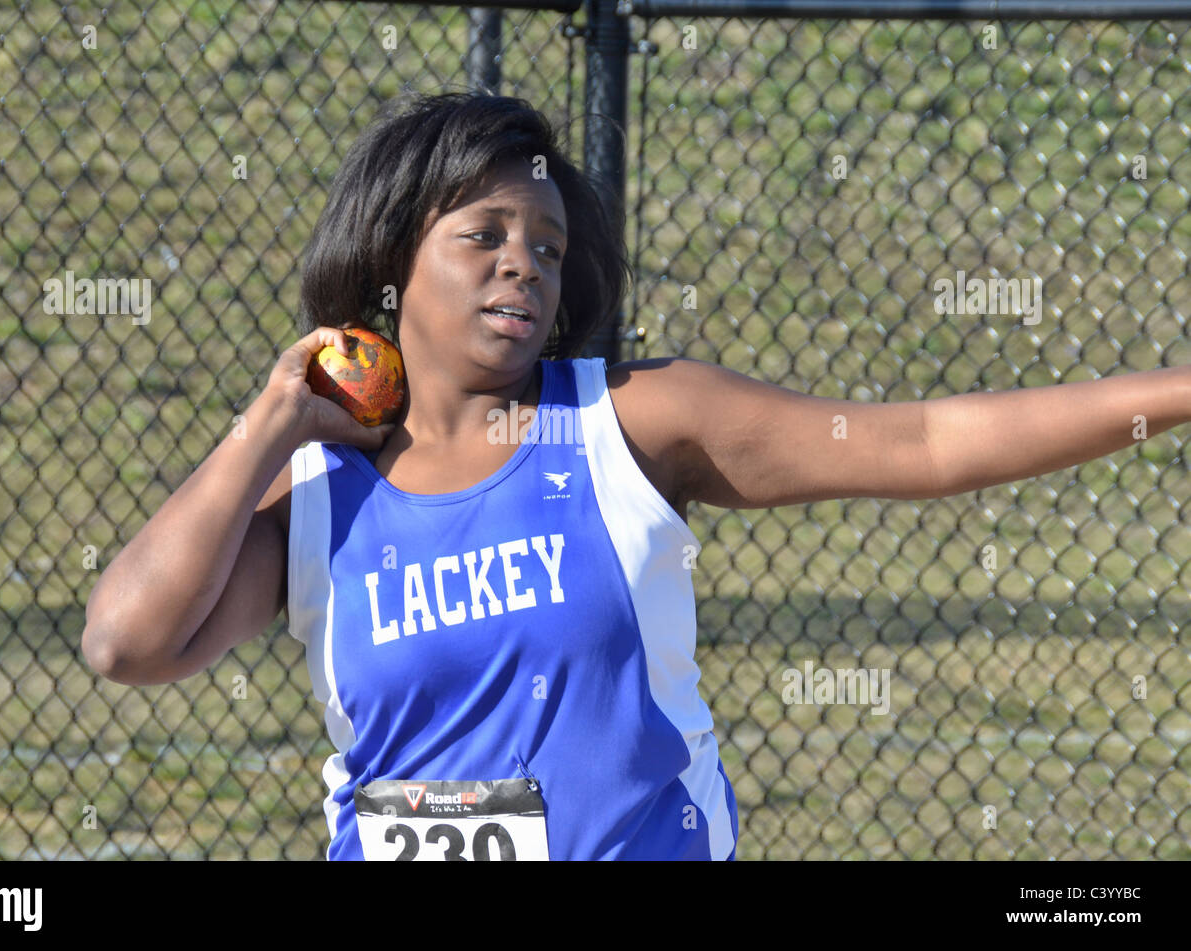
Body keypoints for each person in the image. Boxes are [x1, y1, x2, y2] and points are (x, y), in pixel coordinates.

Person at [82, 91, 1191, 861]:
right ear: (390, 262)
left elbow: (923, 443)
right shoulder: (320, 489)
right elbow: (126, 644)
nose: (524, 260)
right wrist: (270, 427)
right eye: (485, 235)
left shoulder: (627, 423)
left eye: (550, 246)